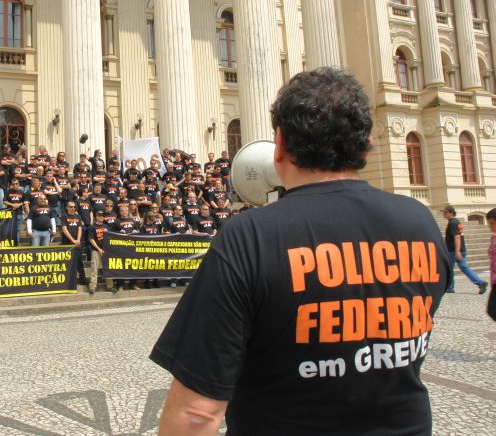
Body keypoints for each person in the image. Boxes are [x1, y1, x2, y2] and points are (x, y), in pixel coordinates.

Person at [151, 68, 452, 435]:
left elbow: (197, 414)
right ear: (366, 143)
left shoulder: (249, 237)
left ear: (279, 145)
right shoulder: (419, 222)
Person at [443, 205, 487, 294]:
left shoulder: (453, 223)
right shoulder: (455, 222)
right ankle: (480, 282)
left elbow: (457, 237)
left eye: (445, 212)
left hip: (454, 251)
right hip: (457, 250)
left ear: (451, 212)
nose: (444, 214)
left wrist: (457, 251)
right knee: (463, 267)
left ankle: (450, 287)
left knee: (450, 268)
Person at [61, 201, 87, 285]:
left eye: (74, 207)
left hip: (77, 243)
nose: (73, 208)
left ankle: (83, 279)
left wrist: (78, 240)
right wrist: (73, 240)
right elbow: (64, 229)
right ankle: (67, 281)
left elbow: (80, 228)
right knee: (67, 262)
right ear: (67, 207)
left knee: (79, 262)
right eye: (71, 207)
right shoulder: (64, 216)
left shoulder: (78, 216)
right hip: (67, 243)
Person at [87, 210, 113, 295]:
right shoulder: (92, 227)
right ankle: (92, 286)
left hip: (106, 250)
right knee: (94, 269)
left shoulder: (107, 226)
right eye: (99, 215)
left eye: (102, 215)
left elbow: (110, 237)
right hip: (96, 250)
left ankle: (110, 286)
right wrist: (99, 249)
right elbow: (91, 239)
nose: (101, 217)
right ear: (96, 216)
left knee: (108, 268)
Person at [487, 208, 496, 321]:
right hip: (494, 279)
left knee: (492, 310)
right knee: (492, 310)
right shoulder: (493, 237)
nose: (489, 226)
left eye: (492, 223)